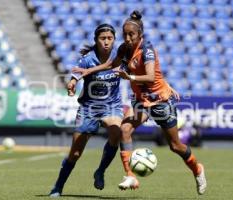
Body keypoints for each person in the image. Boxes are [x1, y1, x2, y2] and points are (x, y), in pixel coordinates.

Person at [72, 10, 207, 195]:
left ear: (140, 35)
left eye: (131, 35)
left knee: (176, 146)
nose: (127, 38)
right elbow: (111, 65)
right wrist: (88, 72)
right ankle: (129, 174)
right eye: (125, 34)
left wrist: (131, 77)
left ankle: (197, 169)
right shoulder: (123, 49)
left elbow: (151, 76)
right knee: (124, 130)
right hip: (141, 102)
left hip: (160, 101)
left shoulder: (147, 50)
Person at [49, 23, 123, 197]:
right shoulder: (88, 59)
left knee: (116, 132)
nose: (106, 42)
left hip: (111, 105)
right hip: (89, 107)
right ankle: (58, 186)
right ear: (96, 40)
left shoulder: (119, 57)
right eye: (102, 38)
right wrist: (72, 84)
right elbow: (75, 76)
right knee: (75, 153)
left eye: (110, 38)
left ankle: (100, 171)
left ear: (114, 40)